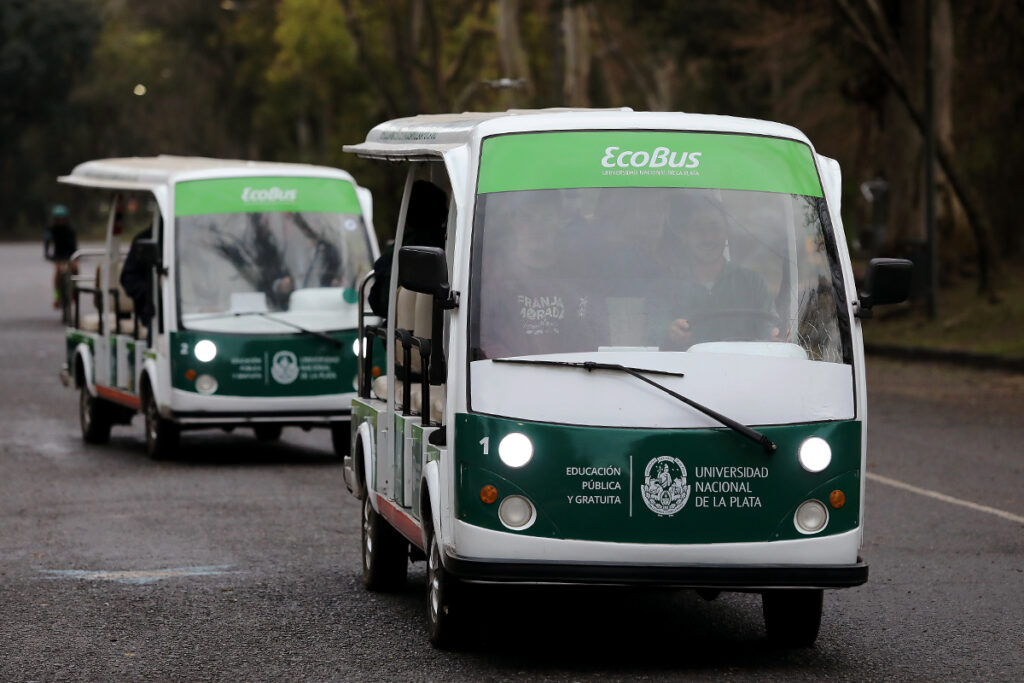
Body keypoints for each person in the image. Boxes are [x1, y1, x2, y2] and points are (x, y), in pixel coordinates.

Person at [476, 191, 603, 358]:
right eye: (527, 218)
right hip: (510, 377)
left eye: (545, 218)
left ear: (559, 220)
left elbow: (593, 332)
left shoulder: (578, 275)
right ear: (514, 221)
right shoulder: (494, 276)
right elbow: (482, 336)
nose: (536, 227)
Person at [662, 198, 778, 349]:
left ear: (726, 233)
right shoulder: (665, 288)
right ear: (685, 236)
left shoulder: (754, 283)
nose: (707, 237)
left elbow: (770, 331)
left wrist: (775, 336)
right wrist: (670, 333)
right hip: (684, 371)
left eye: (714, 227)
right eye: (698, 229)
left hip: (746, 369)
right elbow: (649, 336)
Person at [368, 180, 448, 318]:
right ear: (444, 213)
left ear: (407, 214)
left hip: (404, 334)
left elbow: (380, 304)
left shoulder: (396, 251)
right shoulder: (453, 242)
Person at [120, 223, 154, 339]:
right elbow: (128, 279)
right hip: (152, 311)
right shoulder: (144, 241)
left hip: (190, 309)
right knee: (155, 327)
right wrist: (153, 293)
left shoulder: (187, 238)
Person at [43, 205, 78, 309]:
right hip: (58, 255)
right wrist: (47, 254)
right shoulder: (51, 229)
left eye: (62, 219)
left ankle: (74, 291)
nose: (60, 221)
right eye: (58, 219)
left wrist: (76, 257)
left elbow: (74, 245)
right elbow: (47, 242)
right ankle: (57, 297)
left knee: (75, 268)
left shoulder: (70, 229)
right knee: (58, 271)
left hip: (70, 254)